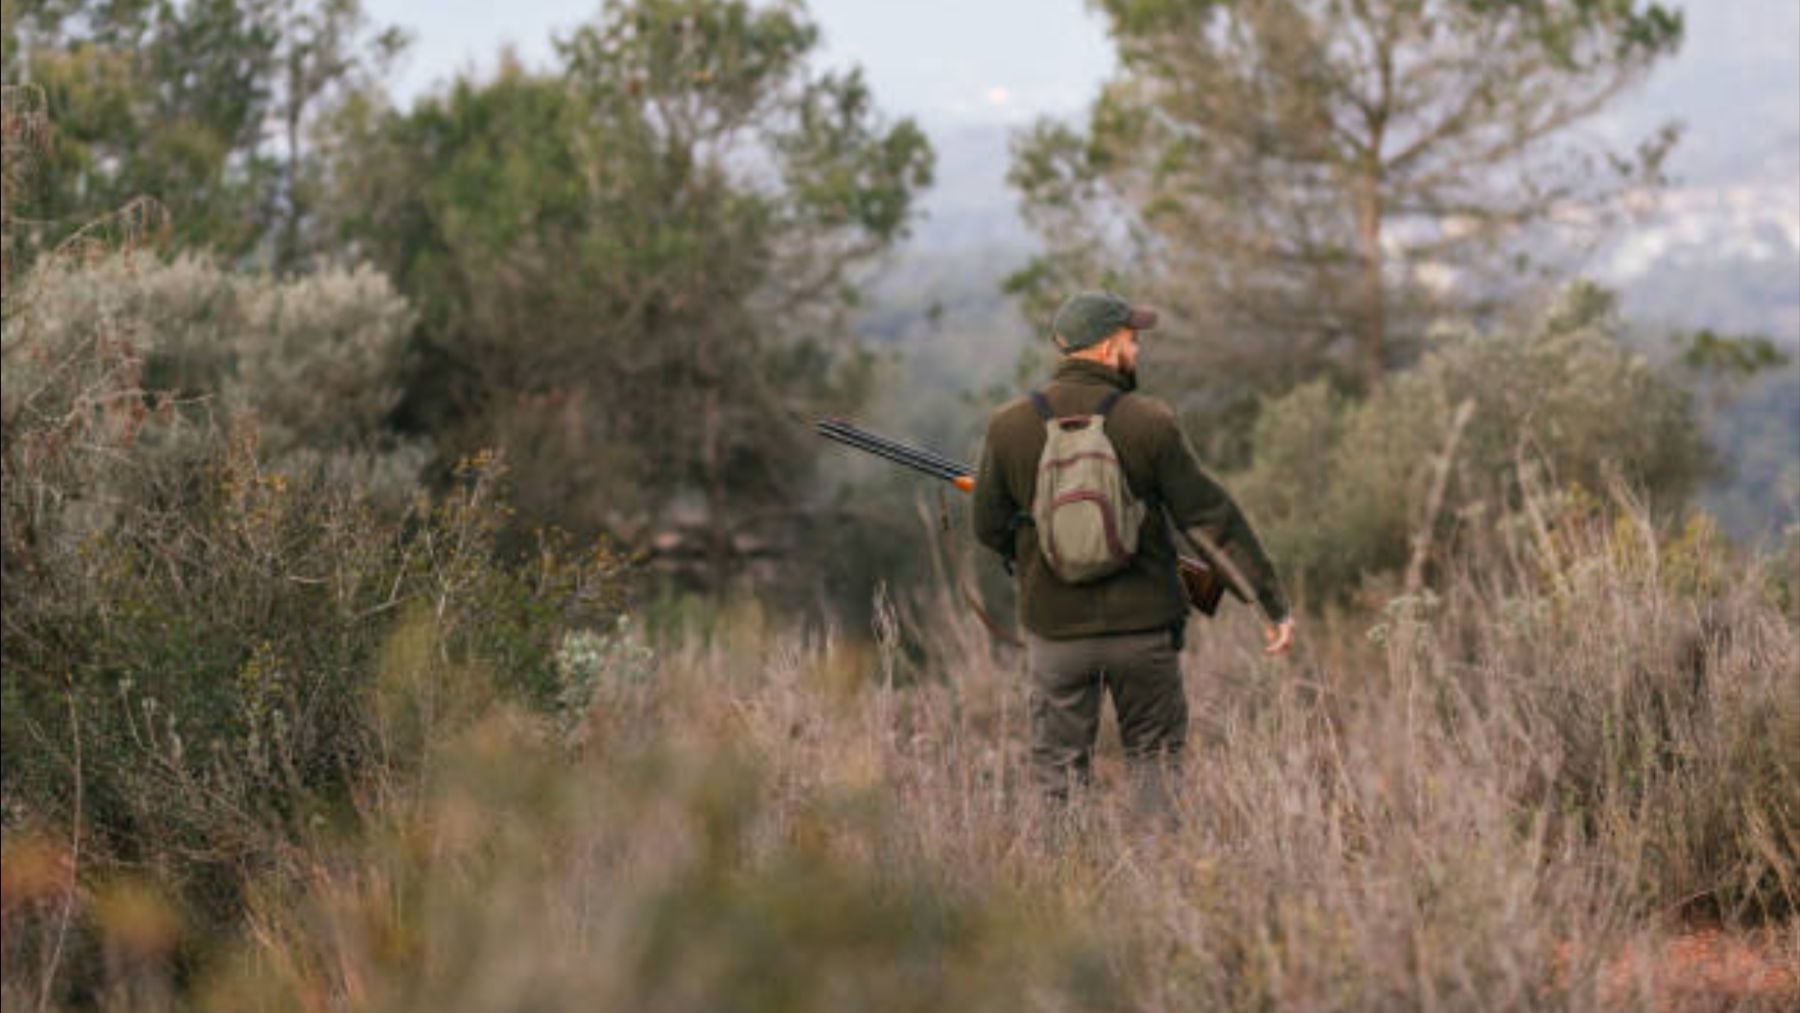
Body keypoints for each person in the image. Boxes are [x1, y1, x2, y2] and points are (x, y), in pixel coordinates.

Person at [971, 289, 1295, 807]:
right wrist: (1268, 602)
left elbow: (987, 526)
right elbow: (1208, 519)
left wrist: (1037, 542)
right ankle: (1160, 872)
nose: (1138, 349)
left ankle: (1066, 882)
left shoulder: (1008, 426)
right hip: (1143, 633)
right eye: (1131, 339)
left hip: (1056, 634)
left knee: (1059, 774)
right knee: (1155, 763)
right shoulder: (1150, 421)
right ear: (1104, 349)